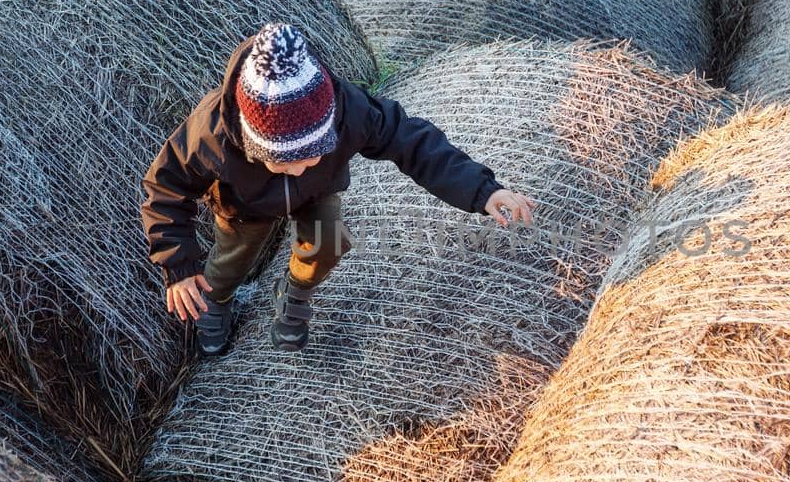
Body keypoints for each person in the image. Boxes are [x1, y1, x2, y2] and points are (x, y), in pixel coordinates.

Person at [141, 22, 537, 354]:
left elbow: (413, 142)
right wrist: (178, 264)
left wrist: (484, 191)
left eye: (312, 154)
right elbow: (165, 188)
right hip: (244, 202)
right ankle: (220, 299)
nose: (296, 170)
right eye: (281, 160)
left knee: (328, 241)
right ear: (250, 142)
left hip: (319, 192)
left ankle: (294, 292)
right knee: (231, 259)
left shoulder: (350, 110)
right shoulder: (211, 132)